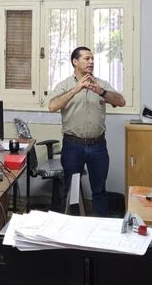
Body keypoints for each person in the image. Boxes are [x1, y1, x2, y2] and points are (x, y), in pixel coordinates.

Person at [49, 47, 125, 216]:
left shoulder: (101, 84)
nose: (91, 62)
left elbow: (121, 101)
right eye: (86, 58)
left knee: (99, 191)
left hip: (98, 146)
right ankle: (72, 232)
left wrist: (102, 92)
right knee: (71, 191)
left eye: (92, 59)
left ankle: (99, 234)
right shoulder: (64, 86)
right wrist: (77, 88)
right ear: (75, 62)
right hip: (73, 146)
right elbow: (52, 106)